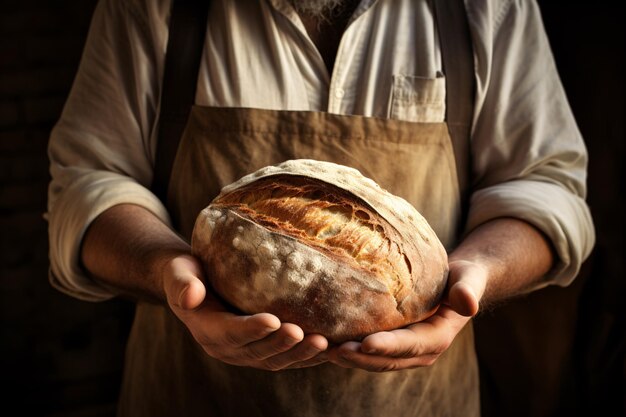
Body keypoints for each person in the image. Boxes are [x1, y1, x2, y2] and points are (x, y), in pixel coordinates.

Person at [47, 0, 595, 415]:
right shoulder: (151, 7)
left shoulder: (490, 8)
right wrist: (164, 268)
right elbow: (87, 182)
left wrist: (478, 274)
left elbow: (546, 184)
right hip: (189, 394)